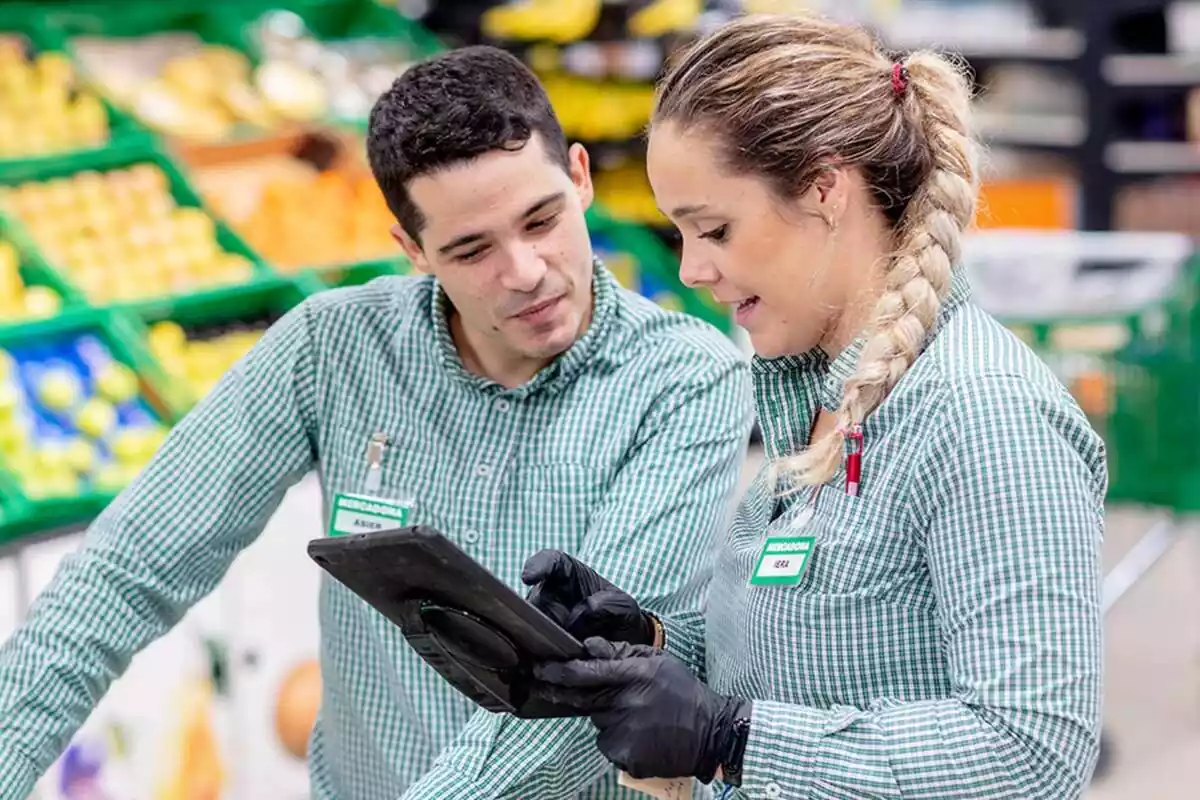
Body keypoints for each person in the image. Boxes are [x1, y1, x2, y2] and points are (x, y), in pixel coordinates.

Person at [0, 47, 753, 798]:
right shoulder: (332, 348)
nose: (523, 271)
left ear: (580, 177)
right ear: (411, 250)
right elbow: (128, 570)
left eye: (541, 219)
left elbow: (583, 688)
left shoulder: (685, 380)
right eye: (471, 249)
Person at [432, 12, 1107, 799]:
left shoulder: (982, 416)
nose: (690, 270)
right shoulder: (813, 397)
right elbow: (819, 662)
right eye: (679, 233)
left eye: (713, 229)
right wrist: (649, 644)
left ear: (826, 188)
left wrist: (732, 739)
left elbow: (1032, 752)